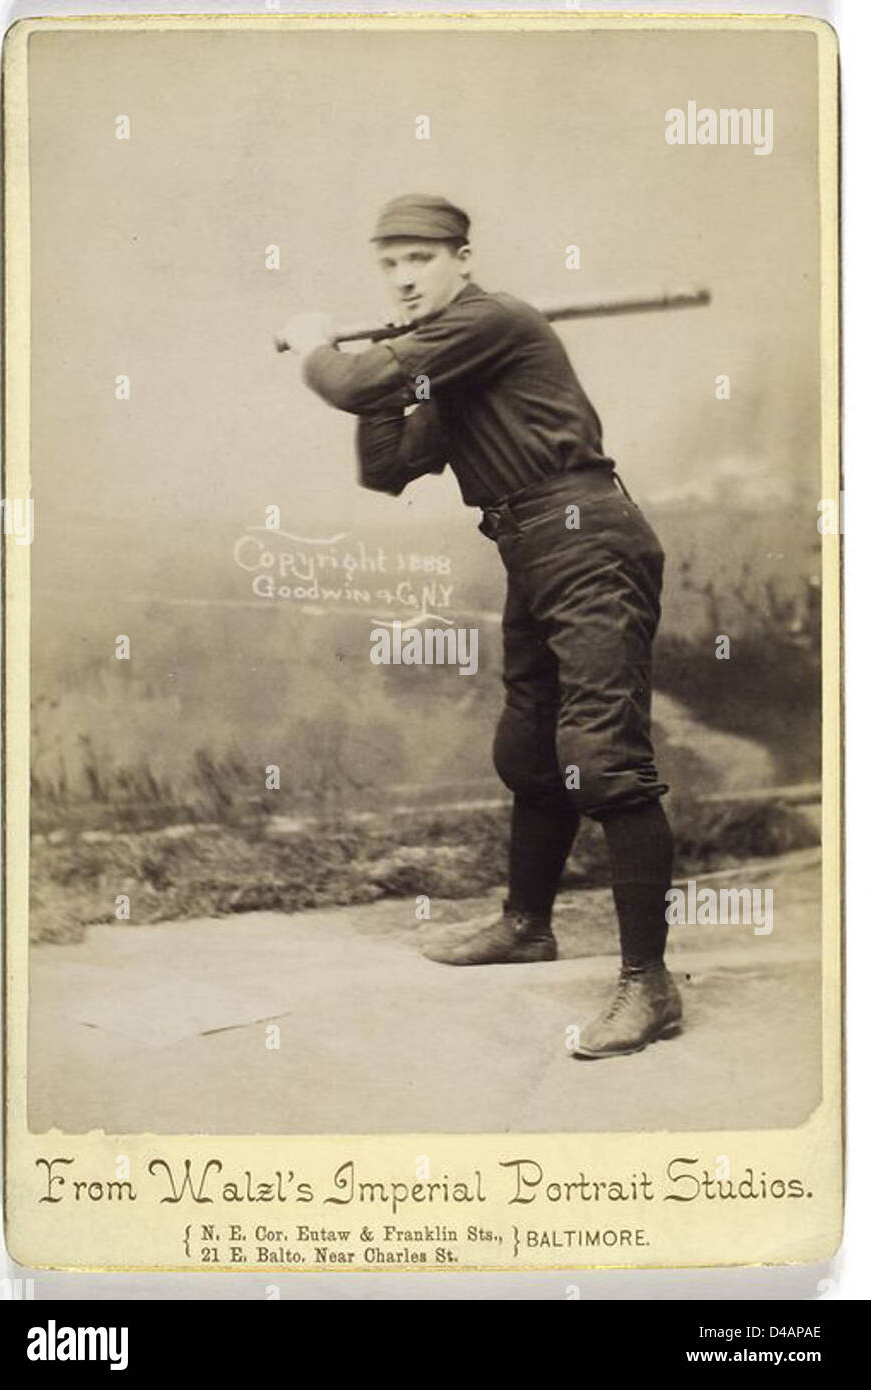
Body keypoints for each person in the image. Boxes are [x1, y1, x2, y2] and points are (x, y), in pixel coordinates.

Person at [281, 193, 682, 1059]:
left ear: (462, 259)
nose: (403, 276)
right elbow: (387, 467)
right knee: (529, 748)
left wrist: (325, 347)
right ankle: (526, 925)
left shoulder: (489, 319)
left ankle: (649, 987)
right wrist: (387, 367)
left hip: (589, 540)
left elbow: (349, 383)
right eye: (389, 264)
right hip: (530, 549)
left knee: (603, 756)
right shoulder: (442, 361)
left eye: (420, 259)